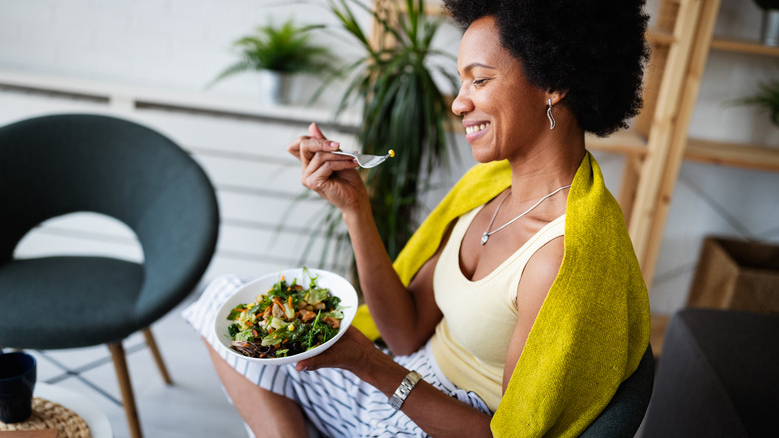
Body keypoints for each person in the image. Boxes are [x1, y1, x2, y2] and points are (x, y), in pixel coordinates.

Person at [183, 0, 652, 436]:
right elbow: (405, 332)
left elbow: (502, 435)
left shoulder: (561, 258)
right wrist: (355, 209)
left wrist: (369, 363)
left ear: (553, 84)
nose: (459, 103)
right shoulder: (487, 189)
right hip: (399, 380)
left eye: (479, 80)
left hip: (439, 420)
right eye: (462, 82)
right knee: (222, 298)